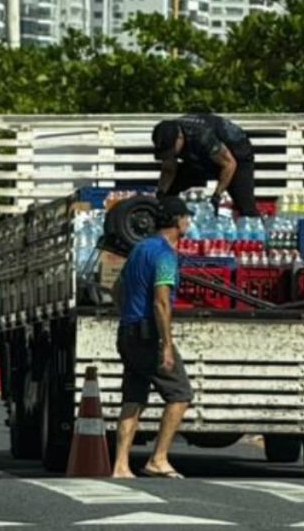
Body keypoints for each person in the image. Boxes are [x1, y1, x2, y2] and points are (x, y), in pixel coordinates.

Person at [111, 197, 195, 479]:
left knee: (133, 398)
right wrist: (167, 345)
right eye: (186, 217)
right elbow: (161, 301)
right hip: (149, 337)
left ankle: (120, 465)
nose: (188, 222)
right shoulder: (164, 255)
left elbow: (117, 288)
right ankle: (158, 458)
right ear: (177, 221)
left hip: (128, 332)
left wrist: (128, 316)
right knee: (180, 394)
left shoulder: (139, 249)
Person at [151, 114, 259, 217]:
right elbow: (169, 169)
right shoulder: (168, 136)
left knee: (245, 205)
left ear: (180, 137)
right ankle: (170, 219)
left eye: (171, 150)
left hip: (236, 156)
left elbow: (229, 164)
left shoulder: (202, 136)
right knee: (168, 194)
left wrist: (217, 195)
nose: (170, 154)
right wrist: (161, 194)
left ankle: (253, 223)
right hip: (202, 158)